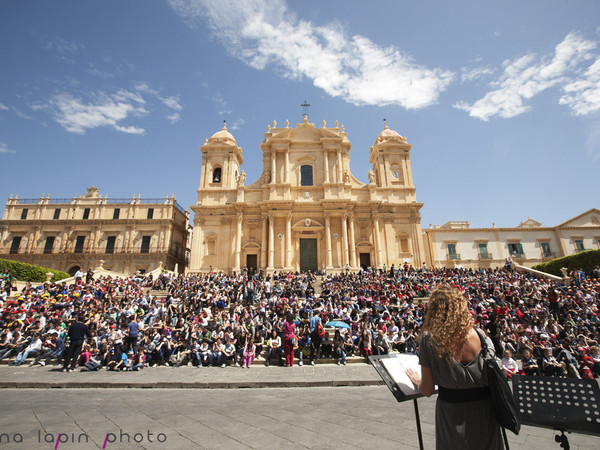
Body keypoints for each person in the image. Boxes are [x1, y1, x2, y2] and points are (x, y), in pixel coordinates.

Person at [406, 285, 502, 449]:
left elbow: (427, 390)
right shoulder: (481, 335)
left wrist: (418, 381)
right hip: (485, 411)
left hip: (452, 412)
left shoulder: (429, 339)